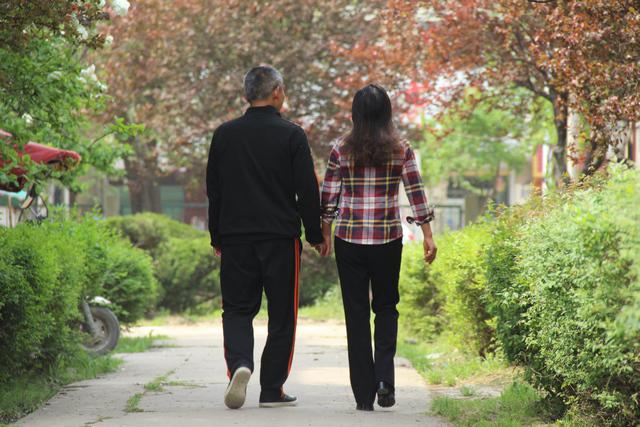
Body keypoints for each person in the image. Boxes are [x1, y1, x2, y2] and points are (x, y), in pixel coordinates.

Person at [206, 65, 326, 410]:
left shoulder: (224, 135)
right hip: (280, 239)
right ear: (276, 92)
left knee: (237, 309)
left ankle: (241, 363)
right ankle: (272, 389)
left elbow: (214, 190)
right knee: (282, 315)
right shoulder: (292, 135)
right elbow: (307, 190)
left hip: (235, 238)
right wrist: (316, 234)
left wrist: (217, 236)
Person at [319, 84, 437, 411]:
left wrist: (325, 233)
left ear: (355, 114)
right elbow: (415, 192)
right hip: (387, 239)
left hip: (349, 241)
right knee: (386, 307)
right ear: (387, 113)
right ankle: (384, 379)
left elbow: (328, 196)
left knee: (355, 315)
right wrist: (427, 234)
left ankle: (362, 395)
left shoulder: (341, 149)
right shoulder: (402, 148)